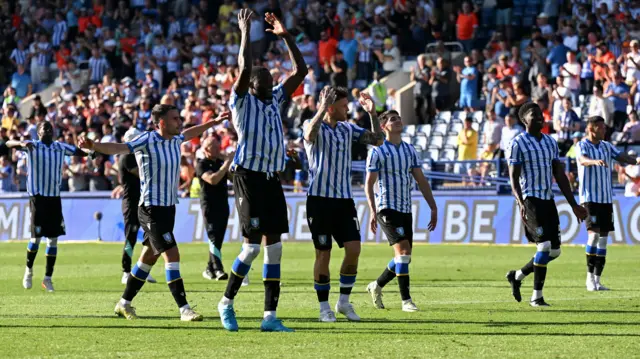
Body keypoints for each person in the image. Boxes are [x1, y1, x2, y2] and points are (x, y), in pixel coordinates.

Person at [78, 104, 231, 321]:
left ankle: (124, 303)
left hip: (168, 208)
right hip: (150, 208)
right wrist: (94, 145)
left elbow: (191, 132)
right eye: (175, 119)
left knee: (148, 257)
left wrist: (213, 122)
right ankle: (184, 308)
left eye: (179, 118)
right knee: (172, 253)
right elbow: (119, 148)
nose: (179, 122)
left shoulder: (176, 139)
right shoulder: (147, 140)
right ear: (161, 123)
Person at [217, 9, 307, 333]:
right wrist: (246, 32)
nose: (271, 83)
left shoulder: (274, 100)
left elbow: (302, 70)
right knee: (252, 246)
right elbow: (243, 67)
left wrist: (285, 35)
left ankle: (269, 316)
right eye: (264, 81)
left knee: (275, 247)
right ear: (252, 86)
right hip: (247, 177)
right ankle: (226, 303)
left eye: (271, 80)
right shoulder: (242, 103)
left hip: (271, 180)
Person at [304, 85, 384, 323]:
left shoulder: (348, 129)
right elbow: (309, 136)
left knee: (354, 250)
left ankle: (344, 302)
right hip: (319, 201)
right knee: (323, 254)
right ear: (330, 107)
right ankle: (323, 307)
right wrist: (320, 109)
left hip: (344, 200)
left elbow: (378, 140)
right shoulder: (313, 124)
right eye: (342, 106)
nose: (347, 109)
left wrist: (372, 114)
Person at [505, 102, 587, 307]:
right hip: (530, 200)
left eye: (541, 114)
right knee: (544, 246)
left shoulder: (551, 142)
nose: (541, 118)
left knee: (555, 251)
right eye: (535, 115)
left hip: (548, 199)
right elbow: (513, 178)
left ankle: (517, 276)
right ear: (525, 120)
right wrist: (520, 202)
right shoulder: (517, 144)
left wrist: (573, 204)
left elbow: (559, 174)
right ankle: (537, 297)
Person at [364, 110, 437, 313]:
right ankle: (406, 301)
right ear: (383, 126)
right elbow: (369, 184)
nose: (397, 121)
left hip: (405, 207)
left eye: (399, 118)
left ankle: (377, 285)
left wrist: (433, 206)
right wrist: (372, 211)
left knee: (404, 257)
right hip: (386, 207)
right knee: (403, 252)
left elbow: (421, 180)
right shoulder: (377, 152)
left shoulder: (409, 150)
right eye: (392, 119)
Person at [7, 122, 89, 292]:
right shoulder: (32, 146)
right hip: (37, 198)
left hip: (54, 198)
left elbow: (80, 152)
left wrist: (90, 147)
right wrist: (20, 143)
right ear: (38, 133)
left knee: (53, 239)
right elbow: (8, 143)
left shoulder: (60, 147)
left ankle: (48, 278)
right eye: (45, 128)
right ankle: (28, 271)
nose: (48, 130)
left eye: (50, 128)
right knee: (36, 238)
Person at [576, 116, 640, 291]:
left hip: (605, 199)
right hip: (590, 198)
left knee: (603, 240)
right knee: (594, 236)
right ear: (592, 128)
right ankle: (589, 278)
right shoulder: (582, 145)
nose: (605, 130)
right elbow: (581, 160)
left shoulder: (607, 146)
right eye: (602, 128)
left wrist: (636, 160)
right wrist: (593, 162)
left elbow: (622, 157)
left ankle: (597, 280)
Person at [111, 127, 157, 285]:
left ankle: (142, 269)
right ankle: (126, 271)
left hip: (142, 200)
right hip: (131, 202)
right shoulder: (127, 157)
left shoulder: (134, 156)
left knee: (149, 235)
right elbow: (144, 174)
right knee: (131, 236)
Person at [197, 135, 234, 281]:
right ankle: (218, 269)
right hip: (209, 204)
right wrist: (226, 164)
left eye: (218, 145)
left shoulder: (220, 161)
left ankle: (209, 268)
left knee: (218, 237)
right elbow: (213, 179)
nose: (218, 148)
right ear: (206, 149)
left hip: (223, 202)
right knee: (213, 236)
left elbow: (232, 177)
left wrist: (230, 163)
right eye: (214, 146)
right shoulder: (202, 164)